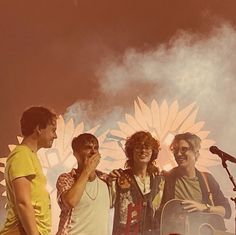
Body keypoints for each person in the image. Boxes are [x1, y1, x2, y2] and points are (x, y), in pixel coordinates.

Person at [158, 132, 231, 234]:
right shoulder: (166, 178)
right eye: (176, 150)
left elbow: (227, 211)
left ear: (196, 153)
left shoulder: (207, 179)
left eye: (184, 149)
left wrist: (204, 208)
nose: (178, 153)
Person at [0, 106, 57, 235]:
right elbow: (23, 202)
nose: (56, 136)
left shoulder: (28, 155)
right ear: (38, 129)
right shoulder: (22, 155)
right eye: (53, 130)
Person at [110, 131, 164, 235]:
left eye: (147, 147)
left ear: (153, 151)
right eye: (138, 147)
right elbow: (109, 204)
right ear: (131, 151)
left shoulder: (160, 180)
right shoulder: (119, 177)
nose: (143, 150)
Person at [56, 133, 110, 235]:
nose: (93, 151)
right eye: (88, 148)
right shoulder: (66, 178)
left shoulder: (106, 180)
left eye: (96, 148)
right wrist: (87, 170)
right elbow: (71, 201)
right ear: (76, 153)